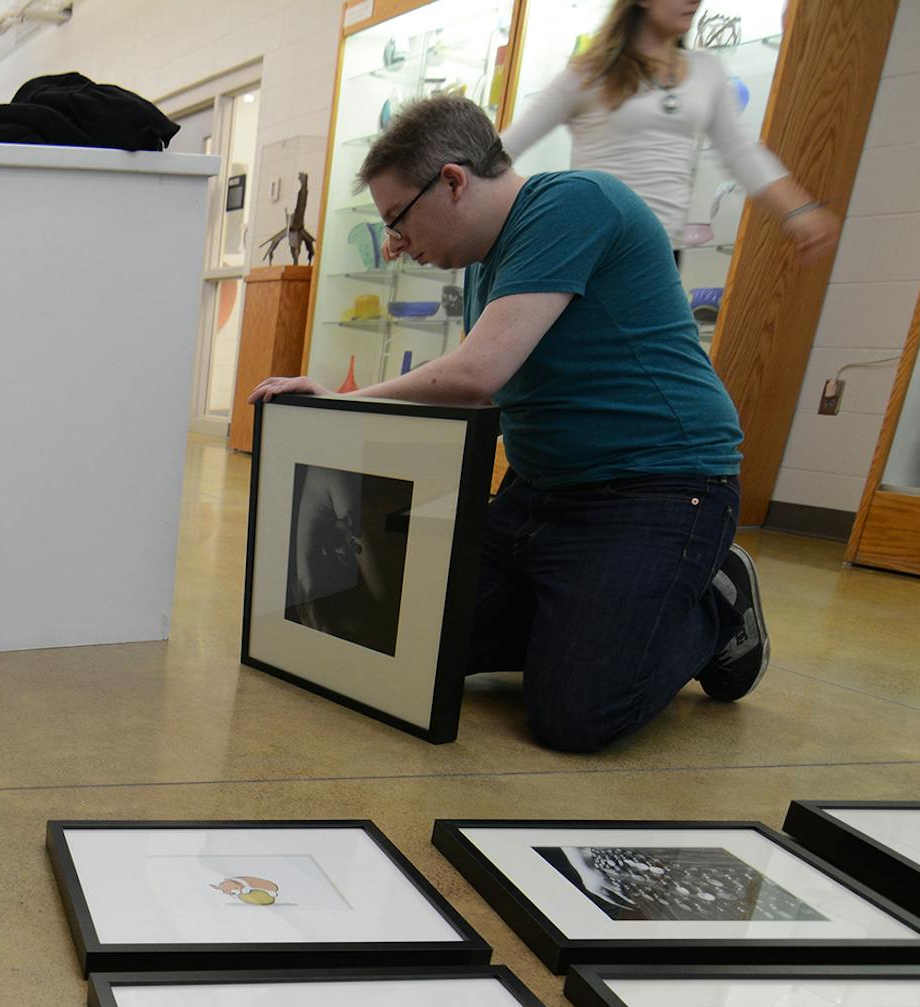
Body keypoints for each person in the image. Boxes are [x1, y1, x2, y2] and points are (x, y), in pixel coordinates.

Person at [248, 94, 770, 754]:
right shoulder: (485, 263)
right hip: (539, 493)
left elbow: (477, 374)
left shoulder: (573, 204)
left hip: (660, 489)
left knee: (576, 715)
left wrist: (338, 403)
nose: (395, 245)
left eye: (398, 220)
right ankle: (583, 612)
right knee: (408, 645)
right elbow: (483, 397)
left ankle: (717, 605)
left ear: (452, 181)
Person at [501, 0, 839, 263]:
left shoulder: (707, 70)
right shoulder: (590, 74)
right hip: (593, 251)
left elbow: (741, 152)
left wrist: (800, 210)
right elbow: (504, 149)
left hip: (661, 253)